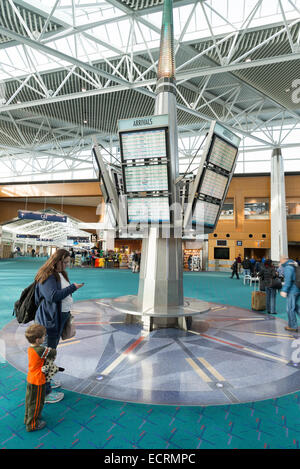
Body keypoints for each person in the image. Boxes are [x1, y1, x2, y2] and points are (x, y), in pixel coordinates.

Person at [34, 249, 84, 403]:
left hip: (57, 319)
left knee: (51, 352)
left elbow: (61, 294)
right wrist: (73, 287)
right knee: (46, 356)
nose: (68, 265)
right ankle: (45, 392)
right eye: (66, 262)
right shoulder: (47, 275)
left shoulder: (59, 273)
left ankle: (47, 381)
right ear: (58, 261)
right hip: (49, 321)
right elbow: (52, 296)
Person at [24, 324, 57, 432]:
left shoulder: (31, 348)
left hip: (31, 378)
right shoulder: (40, 349)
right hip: (38, 380)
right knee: (37, 403)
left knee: (30, 400)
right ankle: (32, 424)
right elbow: (53, 352)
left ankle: (28, 418)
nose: (44, 338)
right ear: (38, 340)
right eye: (43, 337)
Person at [280, 256, 300, 332]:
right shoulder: (294, 264)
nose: (280, 262)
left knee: (290, 309)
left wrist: (284, 290)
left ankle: (293, 326)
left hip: (292, 290)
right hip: (298, 288)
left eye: (281, 260)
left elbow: (288, 280)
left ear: (284, 260)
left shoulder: (288, 267)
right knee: (295, 307)